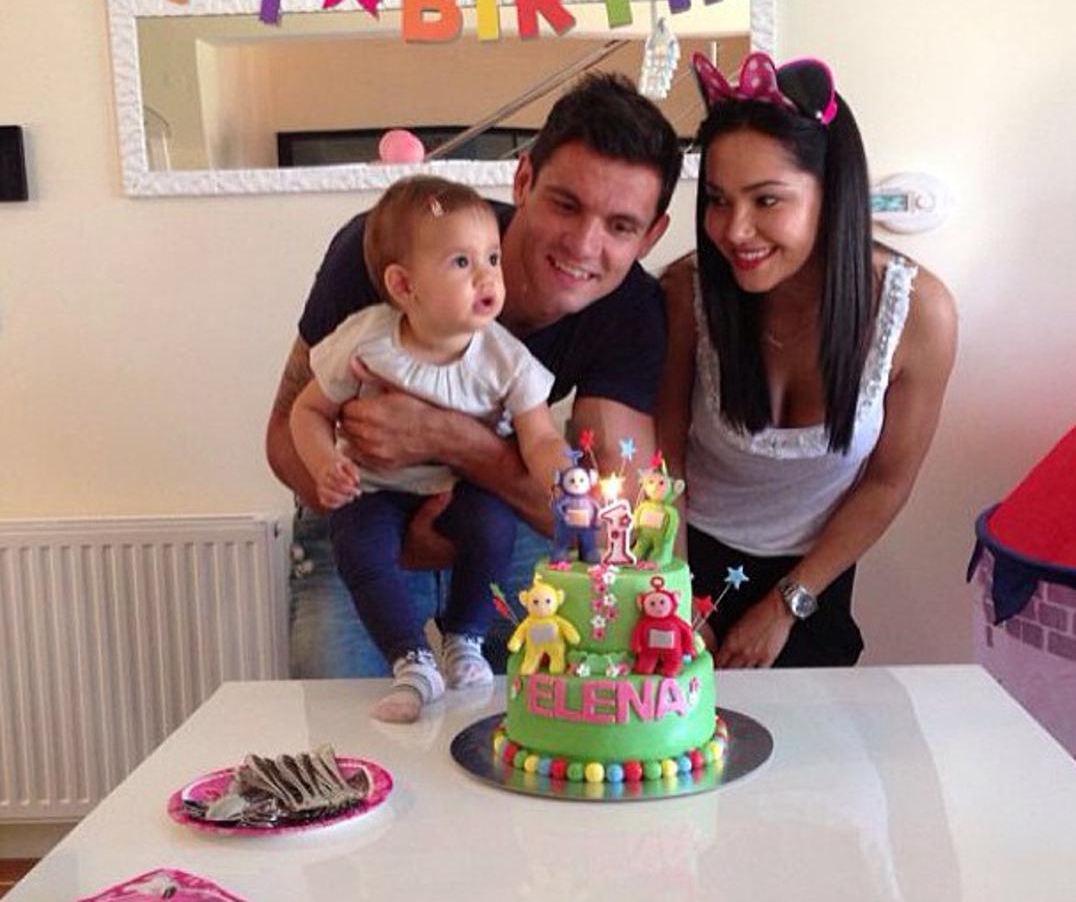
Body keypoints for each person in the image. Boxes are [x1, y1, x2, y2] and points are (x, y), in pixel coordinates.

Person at [266, 73, 684, 681]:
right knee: (342, 727)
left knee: (541, 714)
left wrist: (452, 439)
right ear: (523, 180)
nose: (584, 245)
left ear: (651, 236)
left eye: (621, 226)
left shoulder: (630, 313)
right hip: (358, 511)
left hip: (498, 524)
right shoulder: (392, 248)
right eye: (566, 205)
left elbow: (598, 527)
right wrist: (373, 525)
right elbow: (285, 431)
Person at [657, 52, 957, 668]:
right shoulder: (686, 295)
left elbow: (888, 482)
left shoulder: (919, 314)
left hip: (813, 582)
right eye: (717, 199)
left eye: (767, 200)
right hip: (679, 559)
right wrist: (674, 591)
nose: (734, 230)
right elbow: (664, 452)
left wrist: (786, 604)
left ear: (832, 195)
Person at [289, 175, 569, 722]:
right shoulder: (367, 339)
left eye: (492, 257)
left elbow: (540, 436)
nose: (487, 275)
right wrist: (325, 464)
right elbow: (306, 412)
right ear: (404, 285)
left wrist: (563, 476)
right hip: (377, 487)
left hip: (460, 489)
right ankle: (410, 658)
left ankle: (464, 636)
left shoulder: (503, 358)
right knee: (357, 541)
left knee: (494, 527)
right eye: (462, 262)